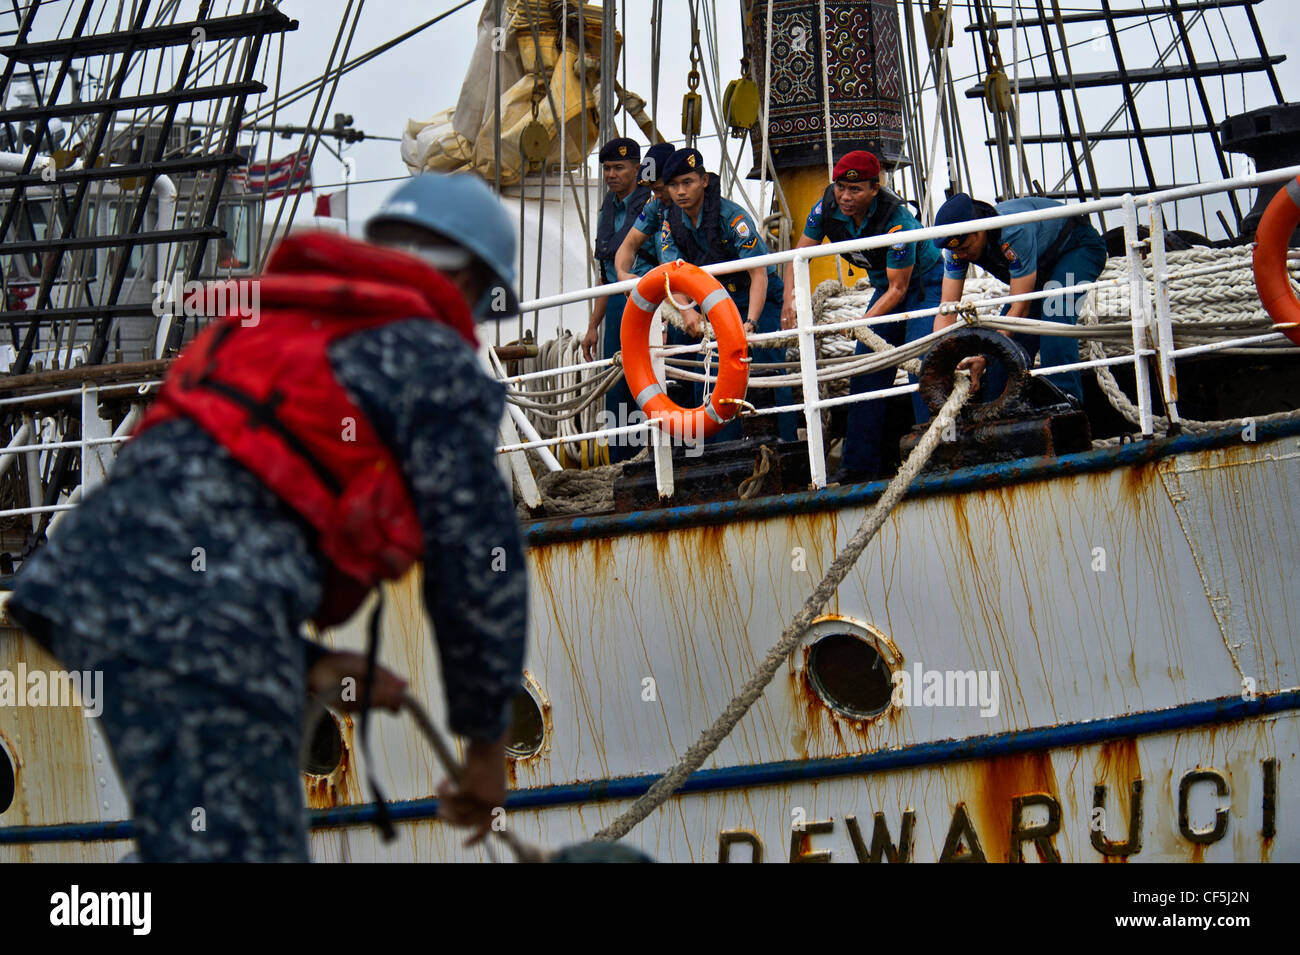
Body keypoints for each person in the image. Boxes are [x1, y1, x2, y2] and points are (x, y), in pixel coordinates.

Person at [6, 173, 529, 862]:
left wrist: (305, 664)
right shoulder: (431, 361)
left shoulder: (259, 327)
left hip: (84, 588)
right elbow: (477, 566)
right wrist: (487, 748)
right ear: (465, 279)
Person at [781, 150, 943, 482]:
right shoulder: (826, 207)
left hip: (924, 285)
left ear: (874, 189)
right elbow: (798, 256)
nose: (845, 196)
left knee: (920, 365)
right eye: (841, 187)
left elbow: (900, 289)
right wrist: (790, 300)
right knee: (866, 371)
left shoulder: (897, 221)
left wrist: (860, 323)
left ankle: (934, 457)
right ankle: (858, 466)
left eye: (855, 190)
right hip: (885, 286)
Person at [656, 147, 797, 443]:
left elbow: (758, 272)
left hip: (759, 299)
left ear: (704, 181)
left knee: (772, 371)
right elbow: (672, 274)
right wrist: (686, 311)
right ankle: (721, 449)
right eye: (674, 185)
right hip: (718, 304)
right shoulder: (673, 224)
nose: (680, 192)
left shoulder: (732, 219)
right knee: (709, 376)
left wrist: (751, 322)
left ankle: (787, 444)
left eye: (688, 182)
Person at [930, 192, 1107, 403]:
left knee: (1055, 316)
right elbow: (947, 309)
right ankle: (999, 411)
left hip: (1076, 247)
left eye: (966, 249)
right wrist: (943, 361)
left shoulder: (1012, 231)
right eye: (957, 251)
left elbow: (1019, 310)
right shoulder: (957, 250)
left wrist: (985, 355)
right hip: (1038, 267)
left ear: (980, 229)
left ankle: (1065, 405)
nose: (963, 255)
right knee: (1006, 347)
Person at [582, 137, 651, 463]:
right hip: (614, 307)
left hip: (646, 303)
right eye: (607, 168)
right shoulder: (606, 211)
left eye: (619, 167)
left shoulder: (651, 206)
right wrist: (593, 325)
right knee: (616, 387)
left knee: (647, 381)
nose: (611, 174)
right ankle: (620, 465)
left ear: (637, 169)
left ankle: (651, 458)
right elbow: (604, 272)